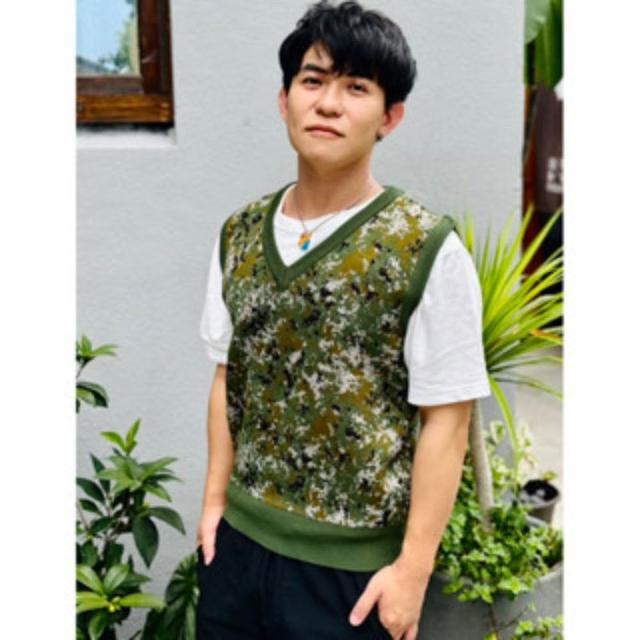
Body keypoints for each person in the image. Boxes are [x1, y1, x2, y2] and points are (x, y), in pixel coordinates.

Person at [196, 2, 490, 638]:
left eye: (356, 87)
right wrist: (214, 503)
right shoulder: (239, 233)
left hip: (351, 574)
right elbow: (226, 375)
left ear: (390, 117)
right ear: (284, 101)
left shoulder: (425, 248)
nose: (328, 104)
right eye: (313, 80)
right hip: (237, 551)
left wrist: (412, 571)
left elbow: (448, 418)